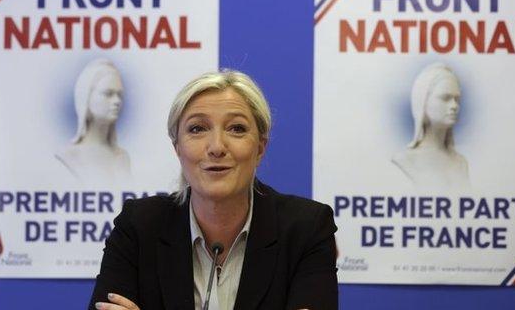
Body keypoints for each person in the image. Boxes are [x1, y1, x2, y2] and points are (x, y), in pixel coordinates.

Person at [89, 70, 338, 310]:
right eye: (197, 129)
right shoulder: (139, 227)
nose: (217, 147)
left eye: (236, 129)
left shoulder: (307, 228)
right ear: (177, 148)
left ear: (260, 148)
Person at [392, 62, 470, 194]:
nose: (454, 106)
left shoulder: (461, 163)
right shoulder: (405, 161)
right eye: (445, 98)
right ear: (423, 102)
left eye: (457, 99)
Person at [55, 58, 131, 187]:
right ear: (86, 97)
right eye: (108, 93)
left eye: (119, 95)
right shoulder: (69, 156)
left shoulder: (122, 157)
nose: (117, 101)